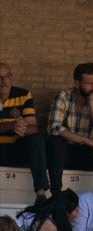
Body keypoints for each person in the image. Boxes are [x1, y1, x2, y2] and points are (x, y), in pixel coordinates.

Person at [0, 65, 56, 206]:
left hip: (15, 149)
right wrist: (11, 126)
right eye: (0, 78)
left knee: (36, 139)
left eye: (7, 76)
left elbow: (34, 127)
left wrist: (23, 128)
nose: (4, 81)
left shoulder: (23, 95)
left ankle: (41, 194)